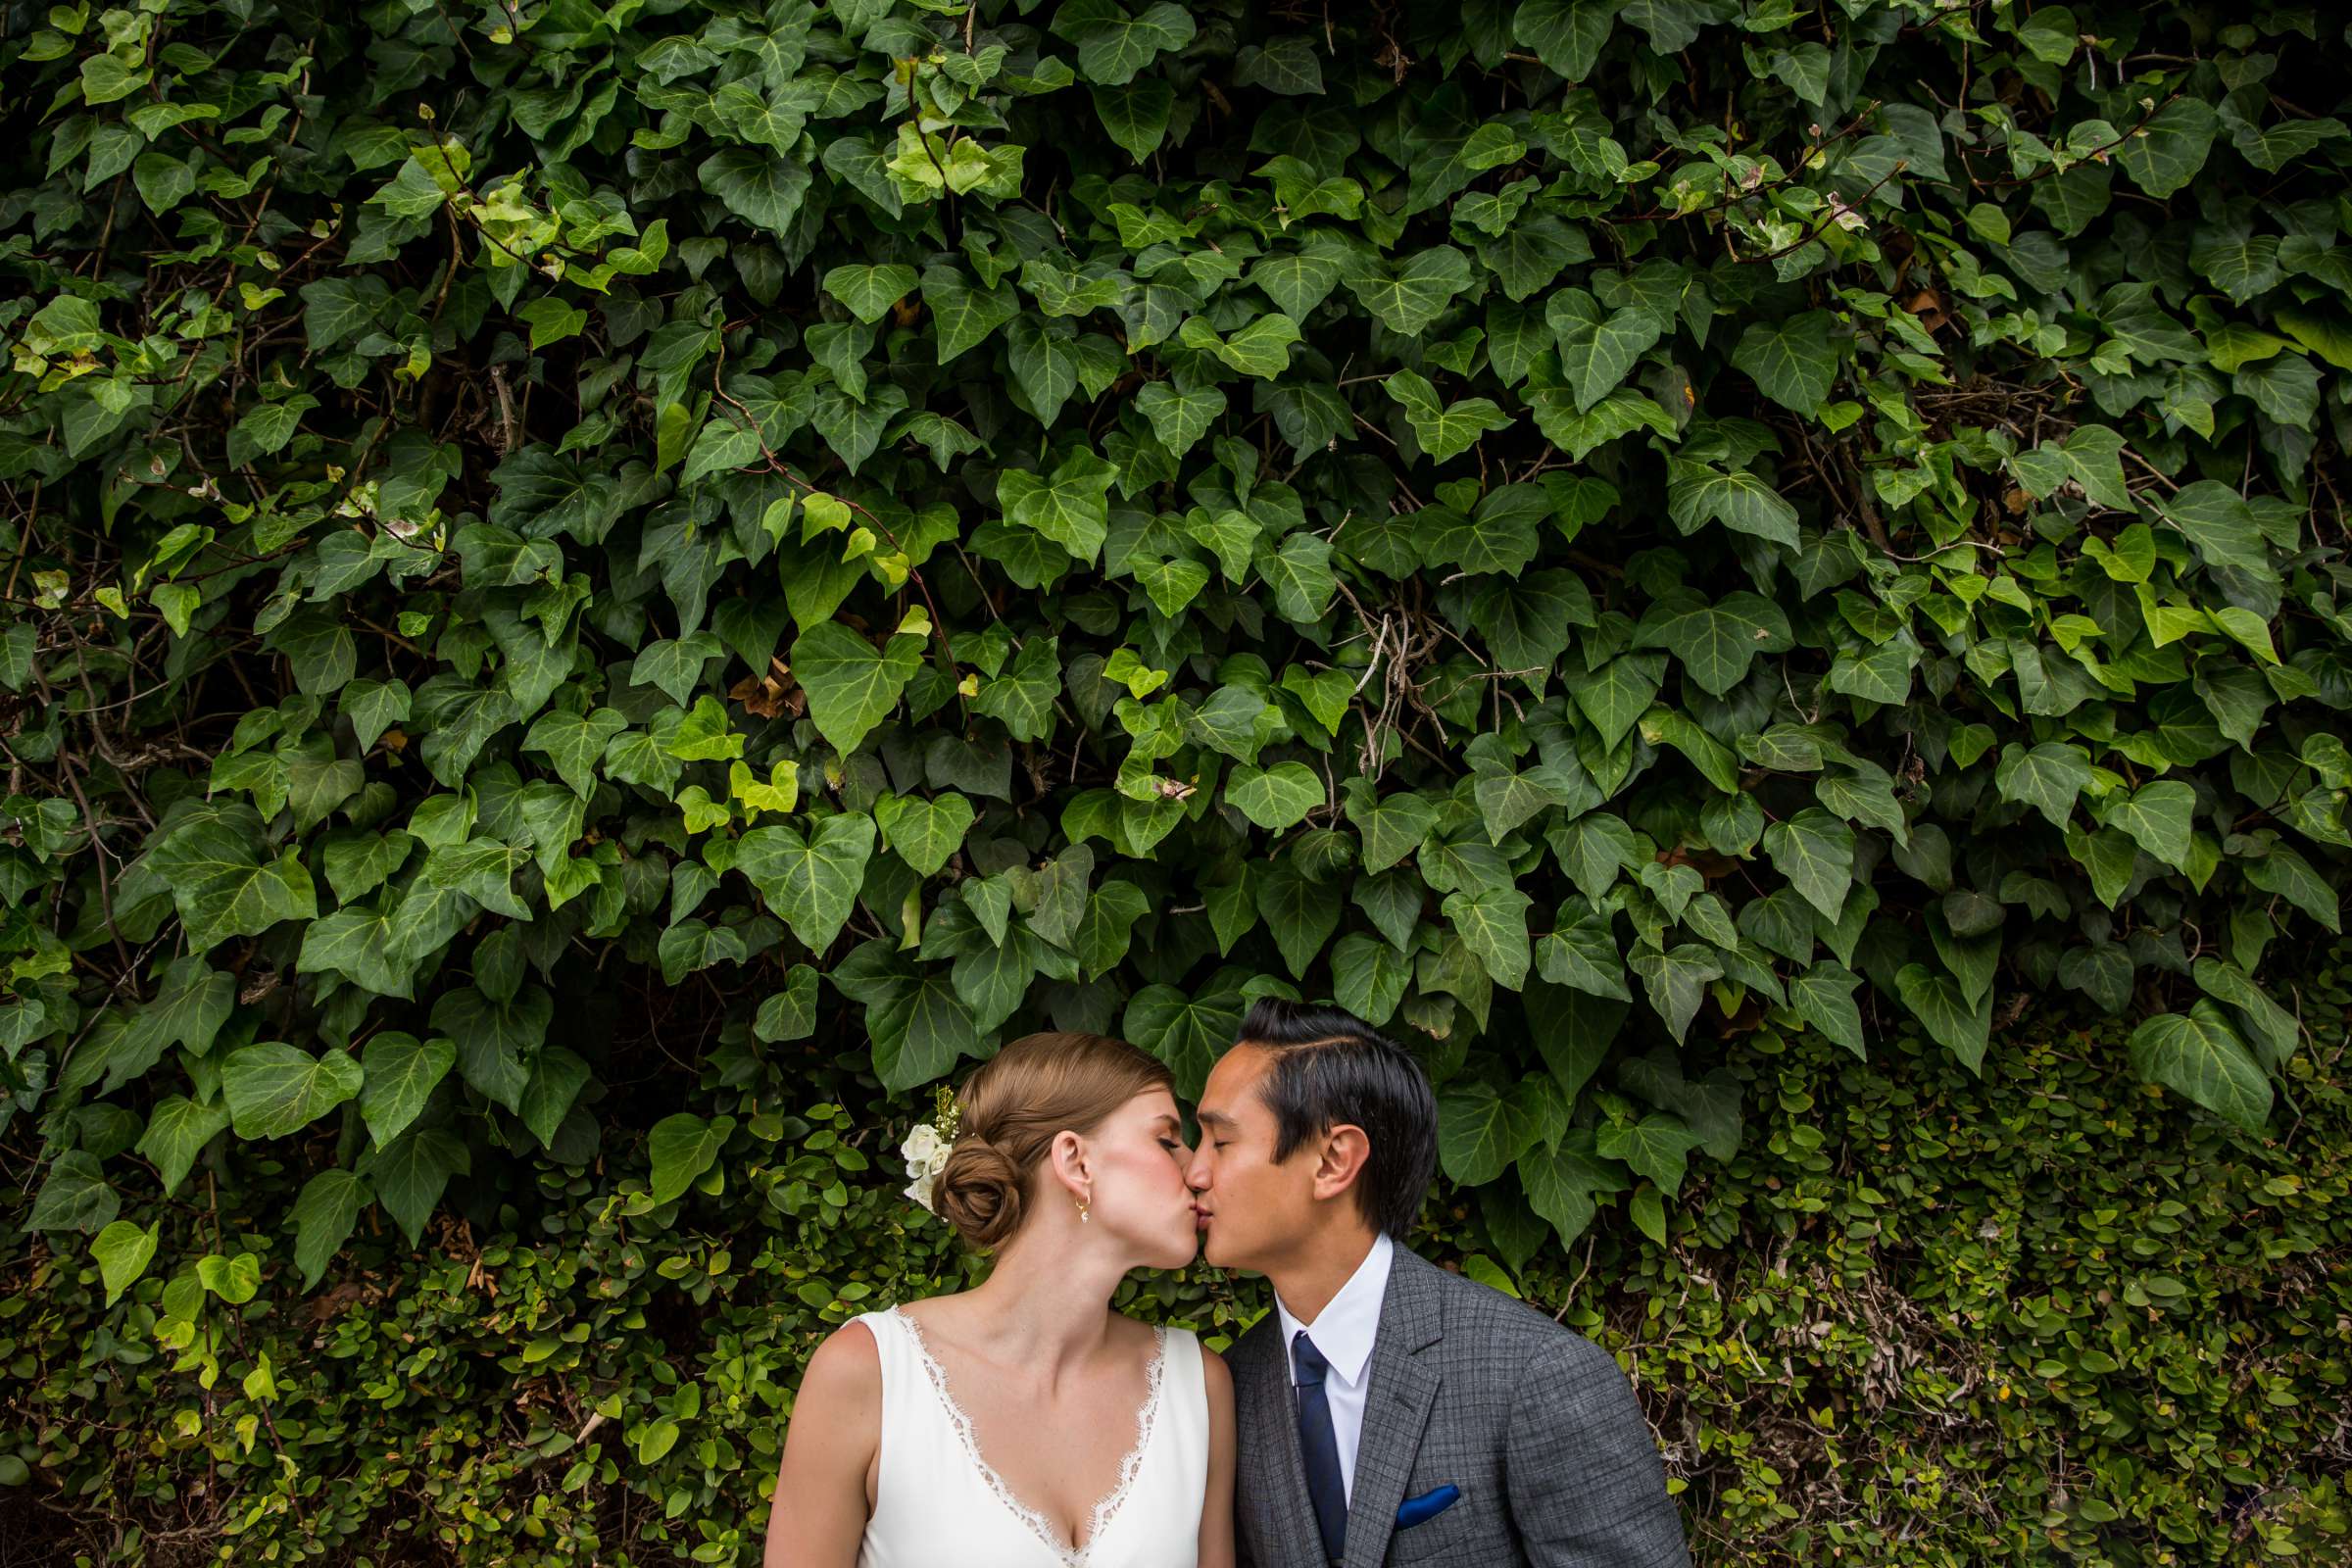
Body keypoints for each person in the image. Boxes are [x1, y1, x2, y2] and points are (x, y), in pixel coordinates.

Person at [1186, 999, 1690, 1568]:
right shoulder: (1231, 1387)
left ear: (1333, 1161)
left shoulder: (1536, 1375)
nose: (1194, 1172)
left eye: (1220, 1142)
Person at [762, 1029, 1237, 1567]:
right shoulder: (869, 1373)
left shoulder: (1198, 1387)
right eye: (1167, 1140)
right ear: (1076, 1162)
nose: (1199, 1170)